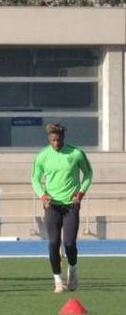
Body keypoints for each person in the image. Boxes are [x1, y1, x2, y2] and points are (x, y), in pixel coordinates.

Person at [31, 123, 93, 293]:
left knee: (69, 243)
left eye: (59, 140)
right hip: (52, 206)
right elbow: (35, 179)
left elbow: (88, 174)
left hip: (71, 205)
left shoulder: (76, 153)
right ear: (49, 139)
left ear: (63, 138)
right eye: (53, 140)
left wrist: (80, 193)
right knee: (53, 243)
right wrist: (42, 195)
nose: (56, 143)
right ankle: (58, 281)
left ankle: (73, 271)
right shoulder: (43, 156)